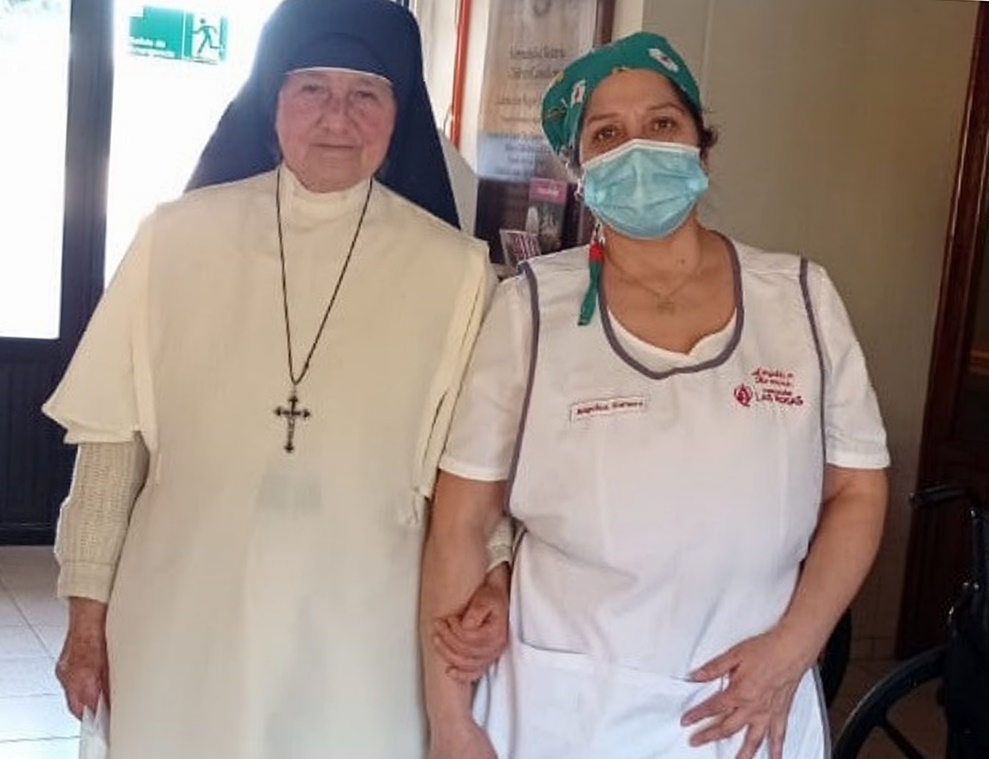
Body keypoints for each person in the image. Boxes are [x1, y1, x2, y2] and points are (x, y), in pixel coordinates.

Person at [44, 1, 509, 757]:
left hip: (365, 627)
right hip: (182, 612)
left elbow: (476, 474)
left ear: (400, 113)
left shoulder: (455, 271)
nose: (338, 118)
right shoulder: (174, 238)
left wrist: (497, 576)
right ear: (273, 100)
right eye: (312, 89)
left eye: (366, 94)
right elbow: (111, 444)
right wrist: (86, 617)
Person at [420, 31, 889, 759]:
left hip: (751, 700)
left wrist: (794, 648)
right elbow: (460, 521)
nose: (638, 149)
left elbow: (856, 491)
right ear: (579, 173)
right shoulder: (531, 309)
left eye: (662, 123)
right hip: (566, 706)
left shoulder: (799, 297)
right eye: (606, 134)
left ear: (703, 148)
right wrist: (451, 722)